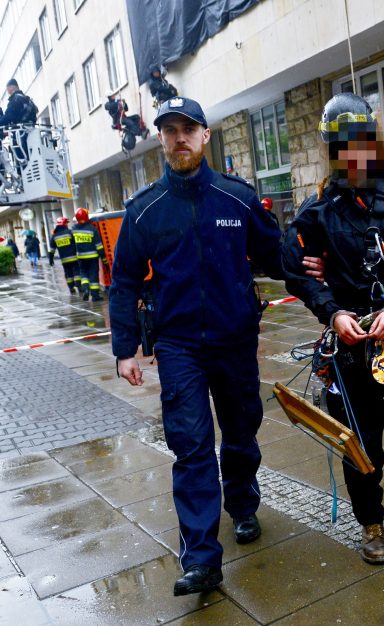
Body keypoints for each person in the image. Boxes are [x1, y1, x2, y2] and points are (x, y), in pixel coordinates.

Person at [109, 96, 284, 595]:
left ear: (206, 135)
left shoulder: (237, 198)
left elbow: (276, 256)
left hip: (234, 340)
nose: (179, 137)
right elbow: (122, 283)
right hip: (179, 345)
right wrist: (125, 349)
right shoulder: (145, 211)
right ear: (161, 139)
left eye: (189, 128)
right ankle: (202, 557)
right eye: (170, 130)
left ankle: (244, 503)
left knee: (241, 433)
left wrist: (318, 276)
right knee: (190, 447)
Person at [282, 93, 384, 565]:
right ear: (331, 150)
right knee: (361, 440)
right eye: (341, 144)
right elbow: (293, 264)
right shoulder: (317, 211)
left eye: (360, 141)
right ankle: (370, 519)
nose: (352, 152)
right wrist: (331, 309)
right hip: (349, 345)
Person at [72, 208, 108, 301]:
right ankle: (95, 296)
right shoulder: (92, 229)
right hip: (92, 257)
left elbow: (72, 244)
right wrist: (104, 259)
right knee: (93, 275)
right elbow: (99, 246)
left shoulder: (74, 229)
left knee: (83, 274)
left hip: (80, 257)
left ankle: (85, 290)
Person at [50, 216, 80, 293]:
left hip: (64, 259)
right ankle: (79, 285)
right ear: (64, 224)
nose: (67, 225)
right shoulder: (70, 232)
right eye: (66, 223)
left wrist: (51, 259)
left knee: (68, 273)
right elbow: (76, 243)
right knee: (76, 271)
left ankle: (71, 287)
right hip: (74, 257)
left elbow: (52, 249)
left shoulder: (55, 236)